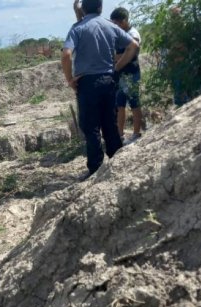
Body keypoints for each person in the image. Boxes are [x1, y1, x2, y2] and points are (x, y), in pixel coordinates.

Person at [62, 0, 139, 180]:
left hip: (87, 83)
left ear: (83, 9)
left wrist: (70, 80)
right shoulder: (109, 25)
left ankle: (96, 169)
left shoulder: (77, 28)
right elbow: (133, 45)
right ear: (101, 7)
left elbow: (66, 55)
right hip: (108, 80)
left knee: (91, 127)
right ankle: (117, 164)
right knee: (110, 125)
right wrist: (117, 67)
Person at [110, 7, 143, 143]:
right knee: (120, 105)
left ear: (124, 21)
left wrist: (116, 61)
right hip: (121, 75)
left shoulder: (133, 33)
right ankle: (120, 134)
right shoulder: (120, 34)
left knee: (134, 104)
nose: (114, 26)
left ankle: (136, 133)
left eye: (116, 23)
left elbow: (131, 50)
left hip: (131, 74)